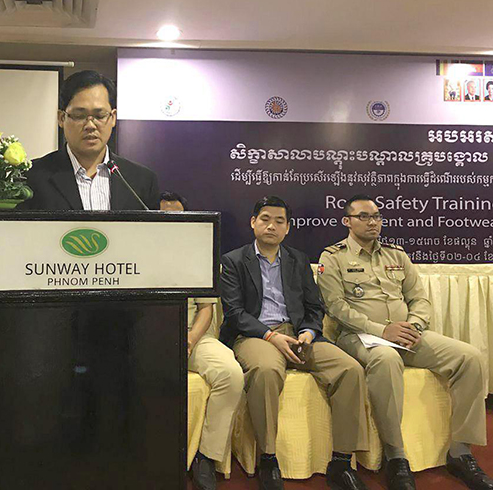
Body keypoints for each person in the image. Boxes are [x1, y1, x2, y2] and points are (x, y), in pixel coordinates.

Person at [318, 194, 491, 490]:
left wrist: (414, 326)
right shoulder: (333, 258)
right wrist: (382, 330)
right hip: (359, 336)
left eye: (376, 216)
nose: (372, 222)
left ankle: (460, 452)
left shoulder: (396, 255)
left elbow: (419, 298)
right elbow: (336, 307)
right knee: (386, 359)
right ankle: (395, 456)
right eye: (363, 216)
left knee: (470, 357)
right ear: (347, 221)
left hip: (407, 335)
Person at [220, 196, 369, 490]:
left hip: (299, 334)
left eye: (279, 221)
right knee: (266, 371)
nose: (271, 226)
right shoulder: (233, 260)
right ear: (253, 223)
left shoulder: (298, 260)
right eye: (265, 219)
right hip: (256, 335)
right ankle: (268, 459)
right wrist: (271, 336)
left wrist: (309, 332)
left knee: (350, 369)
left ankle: (341, 462)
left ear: (288, 228)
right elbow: (235, 313)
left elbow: (314, 307)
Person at [161, 191, 244, 490]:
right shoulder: (134, 254)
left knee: (230, 374)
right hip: (150, 338)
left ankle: (206, 457)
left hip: (192, 335)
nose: (170, 222)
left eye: (176, 216)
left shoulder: (198, 254)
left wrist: (189, 340)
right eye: (162, 216)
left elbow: (206, 309)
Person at [19, 70, 159, 210]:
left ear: (113, 118)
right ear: (61, 118)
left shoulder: (142, 180)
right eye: (79, 116)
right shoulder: (31, 177)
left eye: (100, 116)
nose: (90, 125)